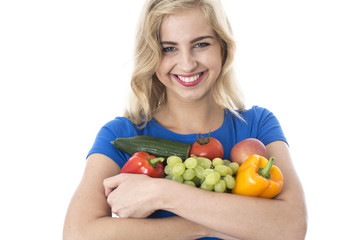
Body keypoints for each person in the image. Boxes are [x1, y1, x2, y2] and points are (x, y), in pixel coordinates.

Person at [63, 0, 307, 239]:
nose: (188, 64)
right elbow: (79, 233)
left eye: (201, 44)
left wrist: (162, 193)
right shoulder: (120, 134)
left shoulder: (258, 124)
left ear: (223, 47)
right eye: (169, 48)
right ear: (151, 55)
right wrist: (207, 226)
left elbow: (292, 226)